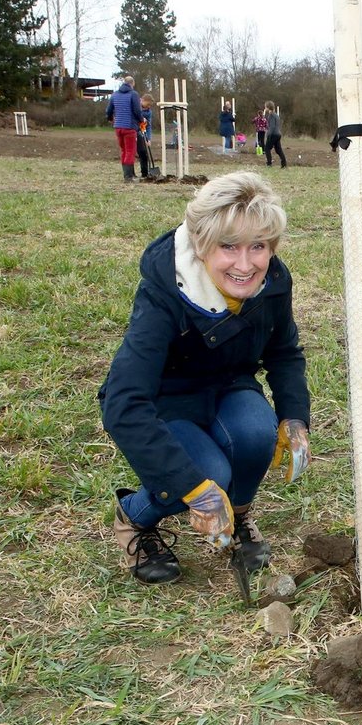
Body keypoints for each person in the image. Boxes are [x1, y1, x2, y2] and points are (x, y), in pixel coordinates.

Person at [99, 171, 311, 585]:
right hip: (167, 400)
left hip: (228, 387)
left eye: (259, 247)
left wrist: (295, 417)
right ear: (200, 246)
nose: (245, 264)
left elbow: (284, 352)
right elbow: (123, 404)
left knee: (255, 433)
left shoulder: (274, 283)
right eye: (228, 247)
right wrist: (194, 488)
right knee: (208, 473)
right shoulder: (165, 294)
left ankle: (238, 518)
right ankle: (135, 518)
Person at [106, 76, 143, 182]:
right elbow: (137, 110)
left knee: (124, 150)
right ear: (132, 83)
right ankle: (128, 177)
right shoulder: (133, 94)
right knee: (130, 151)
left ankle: (129, 174)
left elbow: (109, 110)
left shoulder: (114, 95)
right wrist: (141, 120)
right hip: (129, 127)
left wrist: (110, 119)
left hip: (118, 127)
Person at [135, 93, 154, 178]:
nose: (148, 107)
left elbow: (148, 126)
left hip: (142, 132)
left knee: (143, 152)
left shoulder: (148, 112)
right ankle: (130, 174)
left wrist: (148, 139)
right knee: (131, 152)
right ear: (142, 100)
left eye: (150, 105)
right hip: (132, 130)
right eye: (147, 104)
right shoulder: (135, 105)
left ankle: (145, 173)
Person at [262, 101, 286, 168]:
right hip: (278, 134)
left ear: (267, 107)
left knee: (267, 148)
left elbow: (272, 126)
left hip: (273, 134)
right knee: (278, 150)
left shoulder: (271, 115)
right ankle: (284, 164)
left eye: (265, 107)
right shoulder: (276, 115)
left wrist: (268, 135)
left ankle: (269, 164)